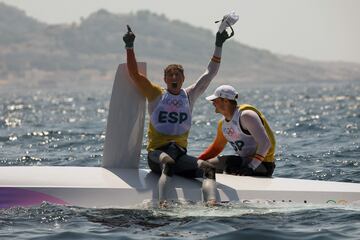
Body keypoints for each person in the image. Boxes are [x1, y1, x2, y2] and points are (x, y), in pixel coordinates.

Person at [122, 25, 231, 206]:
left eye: (177, 74)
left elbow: (210, 73)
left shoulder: (189, 95)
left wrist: (218, 45)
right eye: (170, 75)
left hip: (180, 156)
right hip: (157, 156)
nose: (174, 77)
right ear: (165, 79)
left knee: (209, 169)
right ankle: (163, 203)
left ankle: (212, 203)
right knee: (169, 163)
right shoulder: (156, 94)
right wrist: (129, 47)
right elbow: (134, 73)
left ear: (183, 78)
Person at [198, 85, 276, 177]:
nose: (213, 103)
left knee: (223, 163)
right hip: (245, 162)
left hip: (263, 165)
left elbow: (265, 143)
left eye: (215, 100)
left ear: (226, 101)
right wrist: (197, 160)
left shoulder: (246, 116)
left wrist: (251, 167)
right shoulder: (222, 124)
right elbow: (216, 148)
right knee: (207, 164)